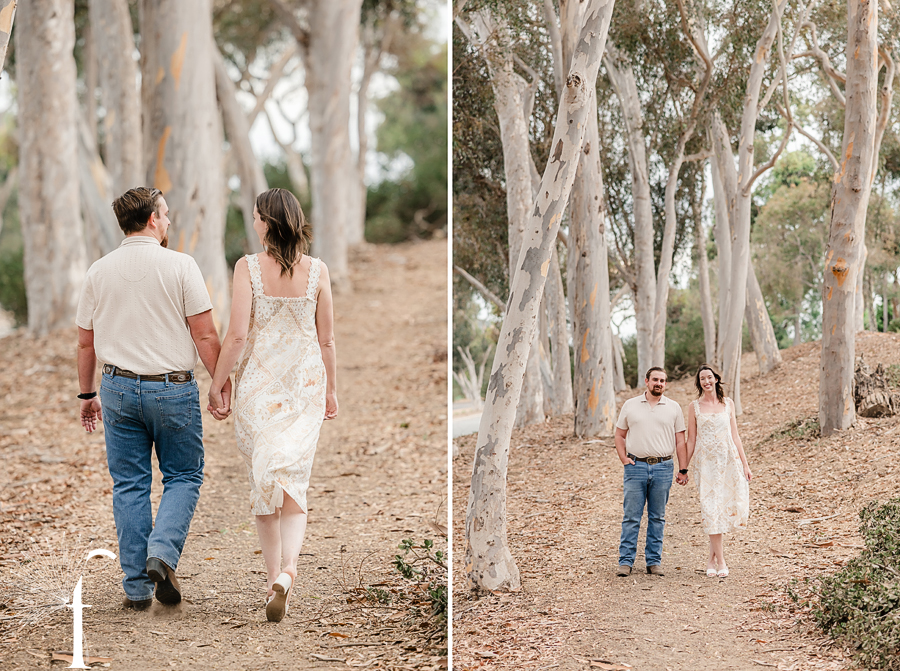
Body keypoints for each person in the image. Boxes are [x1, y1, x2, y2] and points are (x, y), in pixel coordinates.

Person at [76, 187, 230, 610]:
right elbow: (205, 334)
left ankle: (136, 589)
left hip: (117, 388)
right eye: (164, 215)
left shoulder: (98, 271)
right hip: (172, 388)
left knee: (130, 484)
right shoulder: (181, 265)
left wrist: (87, 393)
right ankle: (161, 553)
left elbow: (86, 344)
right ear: (150, 220)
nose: (168, 221)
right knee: (183, 475)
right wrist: (219, 383)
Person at [208, 188, 337, 623]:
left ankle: (272, 582)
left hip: (261, 389)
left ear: (268, 222)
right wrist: (332, 390)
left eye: (258, 217)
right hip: (305, 386)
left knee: (265, 478)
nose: (255, 223)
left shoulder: (247, 267)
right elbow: (327, 340)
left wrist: (218, 383)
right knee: (293, 480)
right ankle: (289, 571)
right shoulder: (318, 271)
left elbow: (238, 336)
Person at [614, 367, 688, 577]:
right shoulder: (630, 405)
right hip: (635, 467)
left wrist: (683, 469)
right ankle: (625, 562)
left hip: (663, 468)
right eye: (655, 379)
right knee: (631, 517)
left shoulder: (673, 407)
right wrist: (623, 458)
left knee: (658, 517)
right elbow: (619, 435)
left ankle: (653, 562)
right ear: (646, 381)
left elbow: (680, 441)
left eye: (663, 381)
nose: (659, 383)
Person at [684, 364, 751, 578]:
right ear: (699, 383)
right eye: (703, 378)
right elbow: (691, 439)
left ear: (716, 379)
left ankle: (711, 560)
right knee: (710, 508)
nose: (707, 381)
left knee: (721, 508)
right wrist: (684, 467)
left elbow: (736, 436)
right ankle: (721, 560)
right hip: (706, 465)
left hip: (728, 461)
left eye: (709, 377)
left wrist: (745, 464)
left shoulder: (727, 404)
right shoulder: (694, 407)